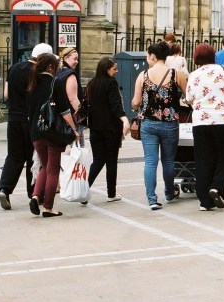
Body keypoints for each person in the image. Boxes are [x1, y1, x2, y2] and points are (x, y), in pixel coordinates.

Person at [184, 43, 224, 210]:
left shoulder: (194, 75)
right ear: (213, 56)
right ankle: (217, 186)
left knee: (204, 159)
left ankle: (204, 201)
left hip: (201, 122)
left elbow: (188, 98)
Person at [131, 41, 186, 210]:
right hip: (170, 124)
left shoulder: (143, 75)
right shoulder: (177, 74)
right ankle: (169, 192)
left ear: (153, 56)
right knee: (169, 161)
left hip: (148, 124)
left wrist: (137, 105)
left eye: (148, 56)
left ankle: (152, 199)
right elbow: (189, 96)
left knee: (150, 162)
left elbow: (135, 103)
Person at [0, 43, 53, 210]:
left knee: (14, 156)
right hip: (31, 119)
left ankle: (4, 188)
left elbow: (6, 94)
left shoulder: (14, 68)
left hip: (13, 118)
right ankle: (34, 193)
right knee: (33, 157)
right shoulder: (38, 74)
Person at [27, 52, 77, 217]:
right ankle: (48, 207)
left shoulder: (32, 83)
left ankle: (35, 196)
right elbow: (64, 109)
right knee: (53, 169)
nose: (57, 70)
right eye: (56, 67)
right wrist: (73, 129)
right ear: (50, 67)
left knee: (44, 165)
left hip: (35, 132)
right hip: (52, 132)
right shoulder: (56, 82)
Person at [85, 56, 130, 202]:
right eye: (114, 69)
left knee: (97, 160)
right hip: (111, 128)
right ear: (107, 70)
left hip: (95, 128)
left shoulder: (91, 83)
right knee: (111, 161)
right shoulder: (111, 83)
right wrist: (124, 119)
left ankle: (83, 190)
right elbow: (115, 104)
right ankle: (111, 193)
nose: (116, 71)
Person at [57, 47, 83, 136]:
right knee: (78, 146)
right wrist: (81, 115)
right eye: (75, 59)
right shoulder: (70, 74)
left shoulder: (57, 72)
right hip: (71, 116)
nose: (77, 62)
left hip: (58, 115)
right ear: (66, 58)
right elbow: (73, 99)